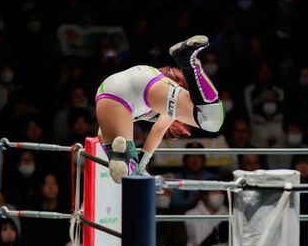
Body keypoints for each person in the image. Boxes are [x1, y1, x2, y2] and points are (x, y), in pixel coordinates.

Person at [95, 35, 224, 183]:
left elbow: (101, 133)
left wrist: (114, 156)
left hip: (107, 90)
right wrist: (142, 164)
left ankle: (118, 158)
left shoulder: (159, 92)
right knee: (212, 121)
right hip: (146, 82)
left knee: (127, 173)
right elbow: (158, 129)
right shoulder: (171, 87)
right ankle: (190, 62)